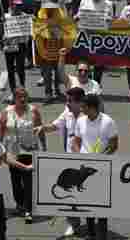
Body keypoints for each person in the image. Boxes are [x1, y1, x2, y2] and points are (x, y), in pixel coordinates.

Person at [34, 87, 85, 237]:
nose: (67, 103)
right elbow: (55, 126)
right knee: (69, 193)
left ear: (79, 102)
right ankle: (73, 224)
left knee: (87, 194)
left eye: (70, 100)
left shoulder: (88, 115)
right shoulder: (67, 113)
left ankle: (91, 224)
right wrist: (42, 128)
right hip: (69, 160)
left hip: (86, 160)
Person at [73, 94, 118, 240]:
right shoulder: (80, 121)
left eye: (83, 106)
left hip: (103, 168)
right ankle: (91, 233)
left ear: (91, 107)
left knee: (102, 203)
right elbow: (76, 141)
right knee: (87, 202)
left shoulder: (108, 122)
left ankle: (102, 234)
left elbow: (114, 145)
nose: (81, 108)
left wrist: (100, 158)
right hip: (85, 168)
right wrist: (78, 154)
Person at [0, 87, 43, 223]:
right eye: (19, 97)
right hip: (12, 152)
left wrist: (43, 149)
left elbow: (40, 130)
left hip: (29, 151)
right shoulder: (7, 112)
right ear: (15, 99)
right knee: (16, 181)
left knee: (28, 181)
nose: (23, 99)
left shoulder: (33, 110)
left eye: (25, 96)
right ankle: (20, 204)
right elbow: (1, 131)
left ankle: (29, 209)